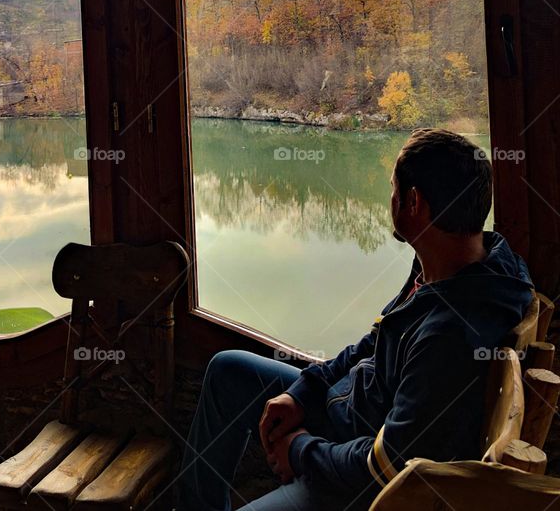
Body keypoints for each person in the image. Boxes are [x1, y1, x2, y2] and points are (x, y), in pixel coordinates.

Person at [177, 128, 533, 510]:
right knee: (227, 370)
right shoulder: (456, 264)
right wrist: (303, 392)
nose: (390, 198)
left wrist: (298, 449)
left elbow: (389, 468)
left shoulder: (452, 333)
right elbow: (375, 340)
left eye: (394, 188)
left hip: (356, 482)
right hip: (348, 413)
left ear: (413, 202)